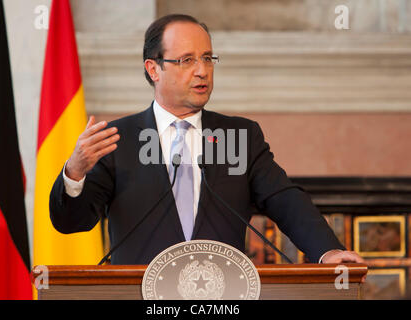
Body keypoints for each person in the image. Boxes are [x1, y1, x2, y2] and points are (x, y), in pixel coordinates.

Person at [49, 14, 365, 266]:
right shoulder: (118, 140)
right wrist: (74, 174)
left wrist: (326, 251)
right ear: (153, 69)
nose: (202, 71)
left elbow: (285, 199)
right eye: (186, 60)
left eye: (208, 58)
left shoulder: (239, 136)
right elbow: (70, 223)